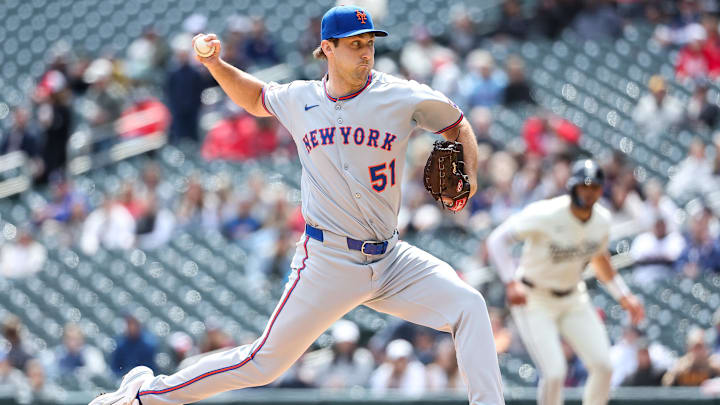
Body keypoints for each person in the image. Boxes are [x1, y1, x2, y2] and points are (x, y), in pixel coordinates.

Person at [92, 6, 503, 405]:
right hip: (329, 260)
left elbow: (456, 121)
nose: (365, 52)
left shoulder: (399, 95)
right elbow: (255, 98)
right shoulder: (299, 98)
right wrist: (216, 65)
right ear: (327, 48)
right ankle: (145, 395)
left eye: (369, 44)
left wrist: (472, 172)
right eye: (354, 44)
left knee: (469, 305)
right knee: (263, 363)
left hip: (392, 258)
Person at [487, 159, 645, 405]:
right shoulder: (546, 213)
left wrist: (624, 295)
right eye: (584, 186)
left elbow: (600, 259)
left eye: (594, 187)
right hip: (534, 298)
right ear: (573, 186)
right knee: (554, 374)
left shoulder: (602, 219)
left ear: (601, 190)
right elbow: (496, 240)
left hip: (573, 297)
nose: (589, 192)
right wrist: (510, 281)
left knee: (603, 365)